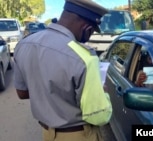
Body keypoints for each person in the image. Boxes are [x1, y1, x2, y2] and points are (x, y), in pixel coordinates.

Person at [13, 0, 112, 141]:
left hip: (47, 134)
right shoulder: (84, 57)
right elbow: (98, 117)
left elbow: (22, 93)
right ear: (86, 28)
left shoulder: (23, 45)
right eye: (91, 32)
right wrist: (103, 94)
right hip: (78, 135)